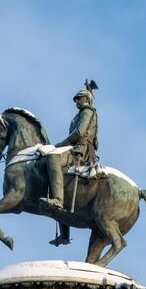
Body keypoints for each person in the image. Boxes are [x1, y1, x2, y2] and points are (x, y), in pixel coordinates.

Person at [38, 80, 100, 246]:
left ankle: (57, 199)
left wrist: (56, 147)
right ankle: (64, 234)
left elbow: (79, 133)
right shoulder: (80, 113)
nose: (76, 102)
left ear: (86, 99)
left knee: (52, 158)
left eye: (78, 98)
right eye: (76, 99)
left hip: (81, 151)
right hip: (75, 149)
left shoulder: (87, 111)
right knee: (61, 180)